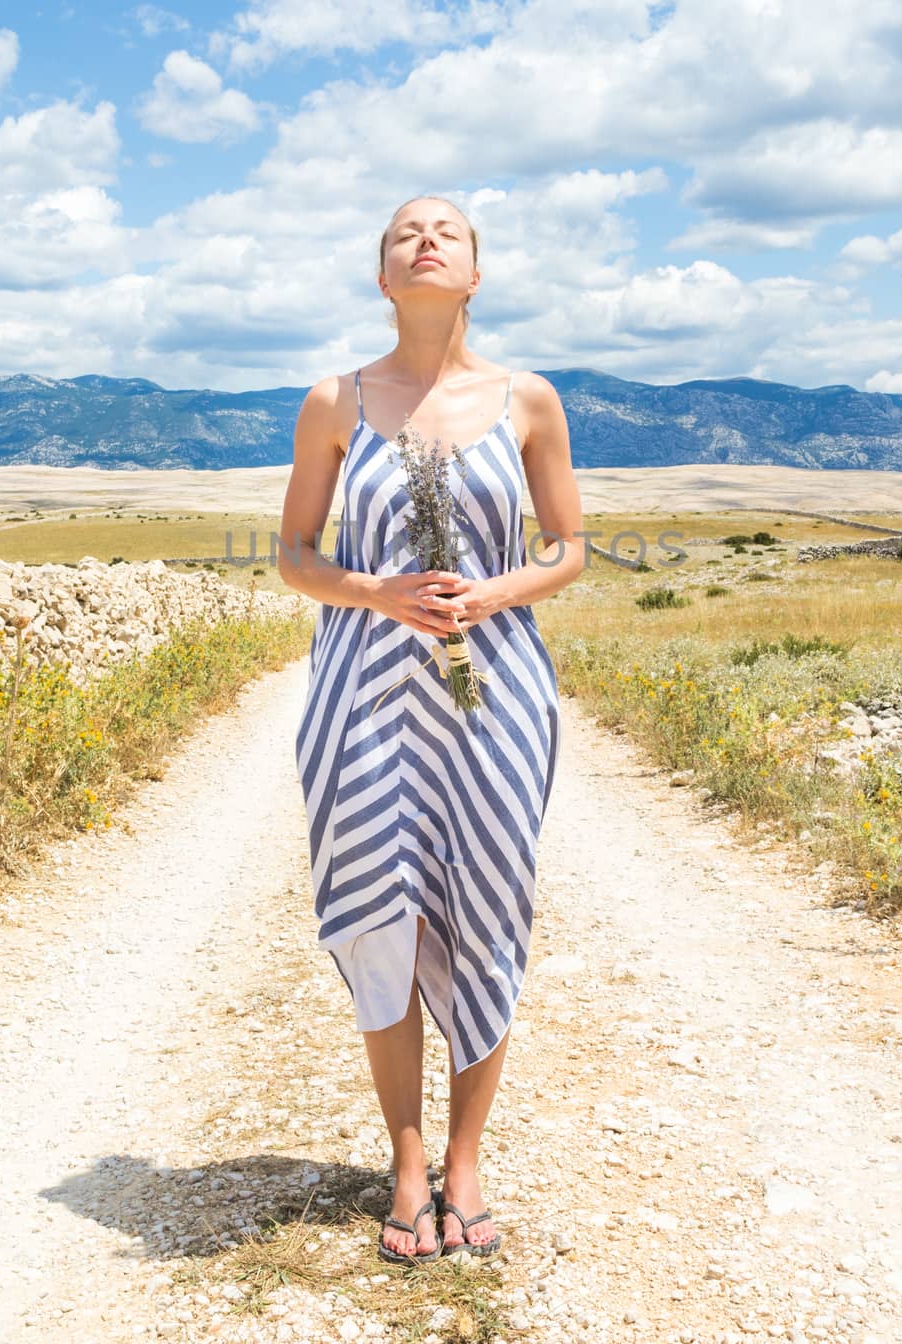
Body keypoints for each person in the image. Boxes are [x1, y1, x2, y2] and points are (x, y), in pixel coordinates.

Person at [279, 195, 585, 1263]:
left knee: (487, 905)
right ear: (381, 276)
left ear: (472, 274)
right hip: (360, 692)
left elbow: (568, 548)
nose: (424, 240)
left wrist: (489, 597)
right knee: (381, 915)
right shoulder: (333, 400)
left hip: (493, 693)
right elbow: (293, 556)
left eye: (445, 232)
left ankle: (465, 1161)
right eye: (403, 232)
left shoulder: (528, 399)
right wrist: (376, 590)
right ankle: (405, 1164)